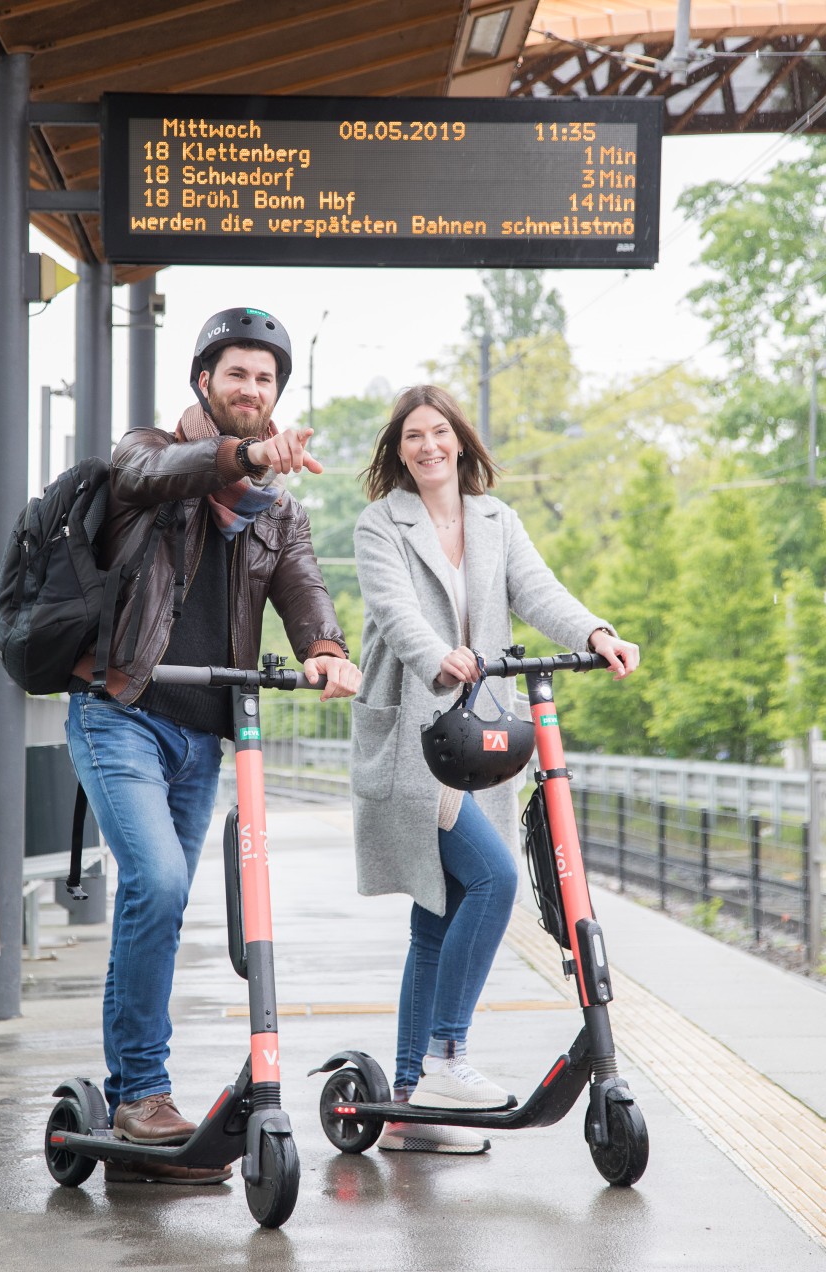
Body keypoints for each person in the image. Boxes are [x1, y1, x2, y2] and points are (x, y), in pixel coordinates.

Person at [65, 306, 361, 1184]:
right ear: (206, 382)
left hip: (202, 737)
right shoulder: (146, 457)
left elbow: (305, 594)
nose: (252, 389)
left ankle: (136, 1098)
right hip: (118, 712)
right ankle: (142, 1093)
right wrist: (243, 457)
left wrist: (327, 651)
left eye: (266, 379)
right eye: (237, 374)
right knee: (154, 883)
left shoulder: (280, 514)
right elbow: (159, 472)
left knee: (164, 901)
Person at [351, 385, 638, 1156]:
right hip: (417, 732)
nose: (427, 446)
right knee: (494, 880)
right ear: (398, 450)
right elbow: (391, 609)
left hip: (478, 738)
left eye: (438, 431)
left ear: (461, 440)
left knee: (436, 917)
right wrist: (436, 654)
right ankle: (447, 1055)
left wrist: (597, 631)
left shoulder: (494, 520)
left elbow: (537, 592)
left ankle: (411, 1102)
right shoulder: (382, 523)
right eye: (412, 436)